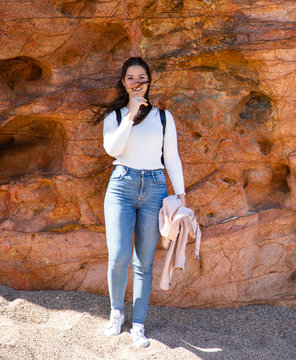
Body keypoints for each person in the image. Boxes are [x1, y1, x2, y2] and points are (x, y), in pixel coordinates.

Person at [91, 57, 186, 347]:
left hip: (155, 187)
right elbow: (112, 149)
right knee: (118, 256)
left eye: (141, 77)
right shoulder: (116, 117)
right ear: (123, 82)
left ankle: (139, 324)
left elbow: (171, 157)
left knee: (144, 261)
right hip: (121, 185)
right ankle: (116, 314)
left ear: (149, 81)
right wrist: (131, 114)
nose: (136, 82)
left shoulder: (163, 117)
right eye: (130, 78)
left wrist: (181, 194)